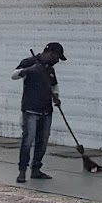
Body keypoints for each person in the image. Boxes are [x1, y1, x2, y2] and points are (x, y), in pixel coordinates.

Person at [12, 42, 66, 183]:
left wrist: (56, 97)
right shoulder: (29, 62)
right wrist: (30, 70)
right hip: (31, 109)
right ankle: (22, 171)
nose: (57, 61)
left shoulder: (50, 69)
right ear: (51, 53)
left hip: (46, 110)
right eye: (57, 57)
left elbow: (54, 86)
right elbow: (14, 75)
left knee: (42, 141)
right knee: (28, 140)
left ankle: (36, 169)